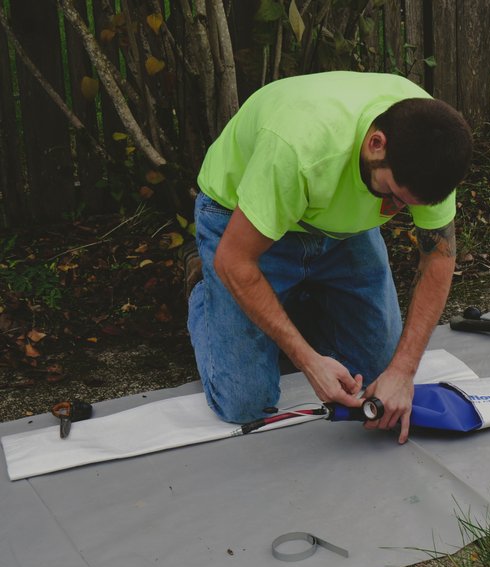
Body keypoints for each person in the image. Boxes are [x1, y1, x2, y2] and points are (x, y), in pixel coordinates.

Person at [187, 71, 473, 444]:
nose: (392, 209)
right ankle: (202, 288)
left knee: (379, 378)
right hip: (241, 221)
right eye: (393, 194)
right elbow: (235, 261)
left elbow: (437, 260)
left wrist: (403, 371)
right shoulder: (299, 147)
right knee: (244, 403)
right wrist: (307, 360)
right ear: (376, 143)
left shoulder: (433, 146)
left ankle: (295, 297)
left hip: (341, 228)